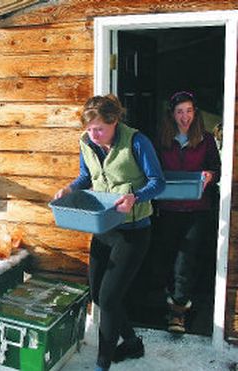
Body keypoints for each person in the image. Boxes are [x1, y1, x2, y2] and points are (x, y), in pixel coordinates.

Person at [54, 94, 165, 371]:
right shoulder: (87, 143)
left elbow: (158, 182)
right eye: (90, 129)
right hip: (103, 228)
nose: (94, 134)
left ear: (115, 121)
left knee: (110, 298)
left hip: (133, 231)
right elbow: (85, 176)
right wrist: (69, 189)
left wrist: (135, 197)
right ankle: (132, 342)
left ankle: (102, 364)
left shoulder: (137, 142)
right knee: (98, 293)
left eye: (100, 129)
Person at [157, 91, 221, 334]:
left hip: (196, 209)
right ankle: (170, 298)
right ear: (172, 115)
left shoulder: (205, 140)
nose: (185, 117)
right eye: (180, 111)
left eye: (189, 111)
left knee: (186, 260)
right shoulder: (163, 139)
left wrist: (209, 175)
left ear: (196, 113)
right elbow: (153, 169)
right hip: (168, 207)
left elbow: (215, 168)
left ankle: (178, 312)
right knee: (167, 257)